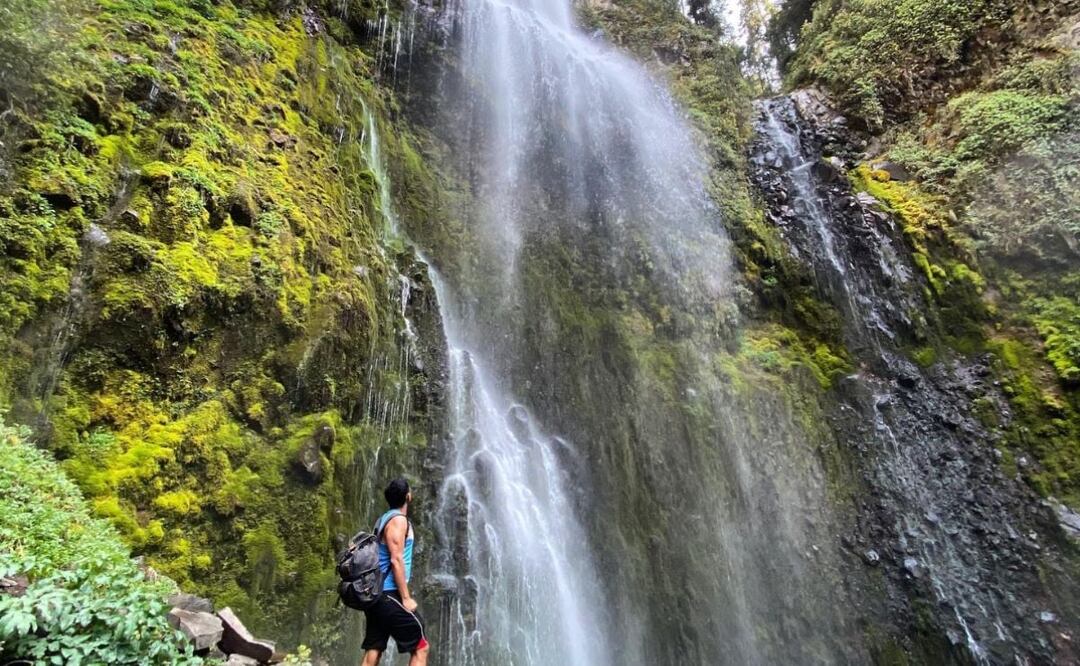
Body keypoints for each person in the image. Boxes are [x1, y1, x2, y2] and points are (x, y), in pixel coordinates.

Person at [361, 478, 429, 666]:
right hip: (389, 594)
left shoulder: (383, 519)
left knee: (374, 648)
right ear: (408, 496)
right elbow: (396, 559)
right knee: (421, 646)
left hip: (377, 595)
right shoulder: (398, 521)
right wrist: (405, 598)